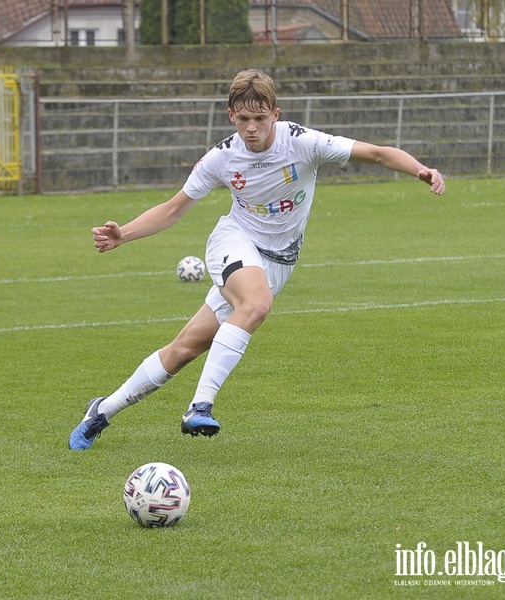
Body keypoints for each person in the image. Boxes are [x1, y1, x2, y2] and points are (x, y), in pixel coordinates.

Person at [68, 69, 445, 451]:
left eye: (260, 119)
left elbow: (379, 154)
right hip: (234, 242)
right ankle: (199, 406)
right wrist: (124, 234)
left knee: (184, 349)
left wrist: (420, 169)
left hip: (278, 262)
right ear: (231, 115)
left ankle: (101, 411)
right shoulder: (222, 157)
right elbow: (173, 209)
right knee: (257, 303)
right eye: (244, 119)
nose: (252, 128)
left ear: (275, 115)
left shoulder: (304, 143)